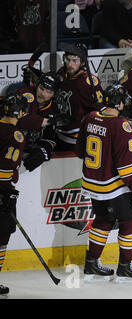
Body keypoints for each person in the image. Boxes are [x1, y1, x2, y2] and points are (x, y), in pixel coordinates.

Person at [75, 83, 132, 282]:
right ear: (118, 103)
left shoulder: (90, 117)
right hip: (112, 186)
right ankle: (125, 266)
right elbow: (126, 164)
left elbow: (79, 152)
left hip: (92, 183)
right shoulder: (120, 125)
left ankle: (92, 263)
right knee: (130, 222)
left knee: (103, 220)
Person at [0, 94, 29, 296]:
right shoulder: (15, 135)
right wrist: (7, 192)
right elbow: (5, 168)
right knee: (1, 237)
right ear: (19, 112)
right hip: (1, 191)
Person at [16, 71, 69, 172]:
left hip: (27, 153)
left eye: (48, 91)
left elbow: (50, 138)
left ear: (54, 94)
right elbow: (17, 120)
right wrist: (45, 121)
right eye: (41, 88)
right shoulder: (24, 94)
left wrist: (44, 150)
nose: (42, 94)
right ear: (37, 85)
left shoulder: (54, 109)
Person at [56, 42, 104, 150]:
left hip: (78, 137)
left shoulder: (89, 82)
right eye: (68, 60)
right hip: (61, 133)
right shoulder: (62, 73)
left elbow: (101, 110)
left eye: (74, 61)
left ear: (82, 62)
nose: (70, 64)